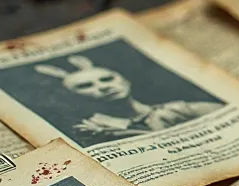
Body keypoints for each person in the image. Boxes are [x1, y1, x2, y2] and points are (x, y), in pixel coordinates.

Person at [34, 55, 223, 137]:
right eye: (86, 86)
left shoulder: (177, 109)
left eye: (107, 79)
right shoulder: (92, 129)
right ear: (74, 97)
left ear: (125, 80)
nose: (102, 87)